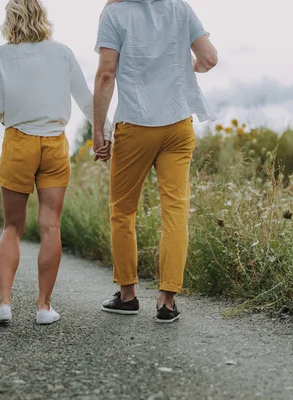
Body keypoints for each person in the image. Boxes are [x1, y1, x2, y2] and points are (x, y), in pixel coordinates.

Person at [0, 0, 113, 325]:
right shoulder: (62, 53)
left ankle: (4, 303)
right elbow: (86, 99)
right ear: (42, 17)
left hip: (19, 143)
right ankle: (44, 307)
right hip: (55, 144)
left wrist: (6, 110)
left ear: (11, 19)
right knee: (50, 226)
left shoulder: (0, 56)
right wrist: (105, 131)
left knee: (12, 226)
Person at [93, 0, 218, 323]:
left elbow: (106, 74)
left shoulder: (115, 13)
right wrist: (182, 66)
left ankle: (127, 295)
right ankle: (166, 301)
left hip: (135, 124)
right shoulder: (180, 8)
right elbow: (209, 58)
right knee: (175, 211)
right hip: (177, 124)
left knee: (123, 211)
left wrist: (98, 130)